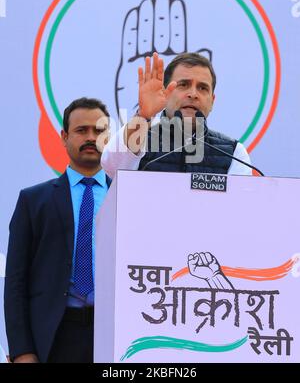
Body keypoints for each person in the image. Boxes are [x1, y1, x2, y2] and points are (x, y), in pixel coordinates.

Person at [4, 97, 110, 363]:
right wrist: (22, 351)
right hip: (54, 337)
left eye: (98, 131)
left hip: (114, 334)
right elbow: (16, 282)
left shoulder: (127, 195)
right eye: (81, 130)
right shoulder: (33, 201)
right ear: (64, 137)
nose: (90, 137)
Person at [101, 52, 252, 177]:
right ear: (165, 92)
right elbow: (112, 167)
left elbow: (239, 207)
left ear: (212, 101)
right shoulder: (140, 137)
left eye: (202, 88)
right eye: (183, 85)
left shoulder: (234, 153)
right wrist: (143, 115)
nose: (193, 94)